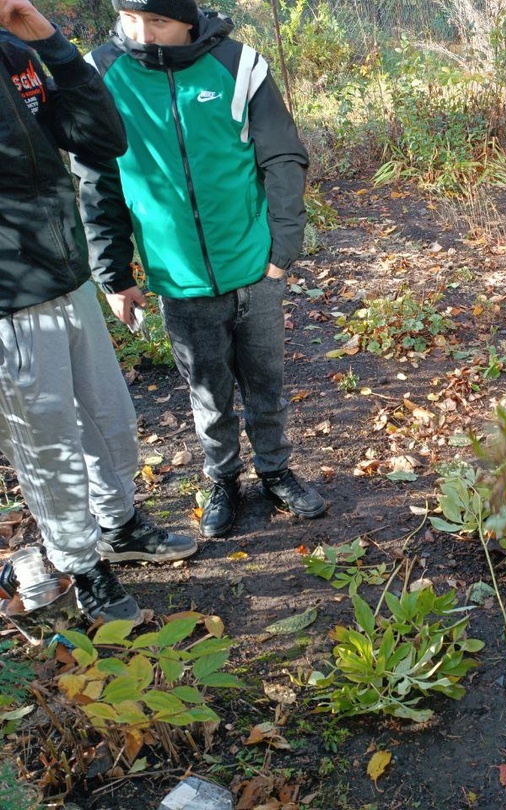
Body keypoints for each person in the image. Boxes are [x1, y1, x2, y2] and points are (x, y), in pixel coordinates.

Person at [71, 0, 326, 539]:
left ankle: (276, 471)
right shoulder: (102, 74)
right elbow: (98, 182)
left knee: (266, 383)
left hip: (254, 268)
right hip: (178, 279)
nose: (144, 34)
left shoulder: (239, 66)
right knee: (208, 392)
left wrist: (282, 250)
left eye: (159, 21)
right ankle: (224, 480)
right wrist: (113, 275)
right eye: (131, 20)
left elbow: (281, 156)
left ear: (187, 18)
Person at [1, 0, 196, 623]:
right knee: (48, 443)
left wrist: (53, 46)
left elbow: (101, 139)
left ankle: (119, 524)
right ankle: (82, 566)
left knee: (110, 415)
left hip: (68, 277)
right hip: (12, 300)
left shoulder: (17, 55)